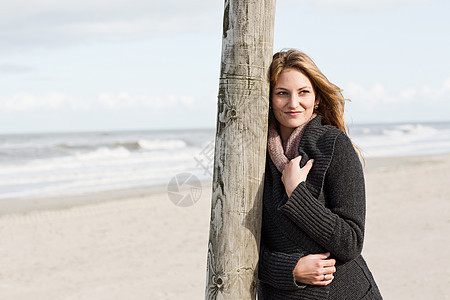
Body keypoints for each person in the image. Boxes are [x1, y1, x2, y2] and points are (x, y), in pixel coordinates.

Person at [257, 49, 382, 299]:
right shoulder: (252, 158)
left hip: (343, 293)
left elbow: (350, 242)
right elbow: (241, 245)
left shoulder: (334, 145)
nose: (294, 103)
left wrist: (297, 194)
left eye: (303, 92)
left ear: (316, 98)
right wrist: (289, 269)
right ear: (269, 98)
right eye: (282, 93)